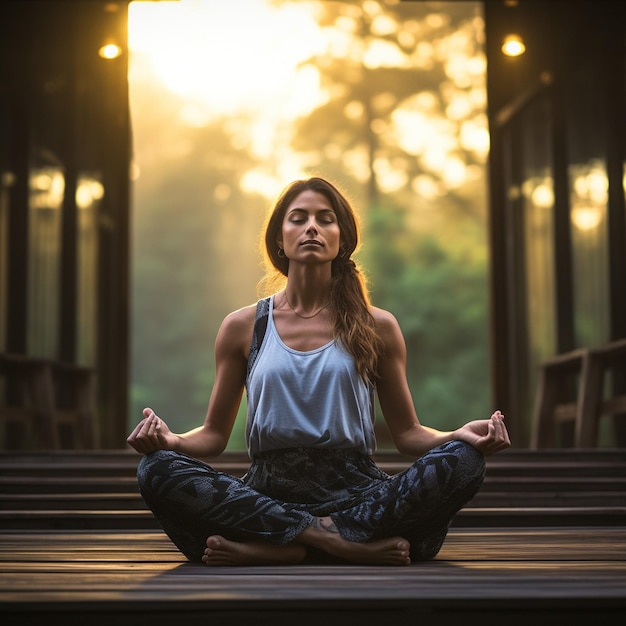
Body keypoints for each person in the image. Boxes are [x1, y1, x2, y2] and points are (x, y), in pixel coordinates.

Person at [127, 176, 511, 567]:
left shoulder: (377, 326)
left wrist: (458, 435)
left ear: (342, 239)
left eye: (325, 219)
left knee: (465, 460)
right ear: (279, 238)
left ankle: (282, 547)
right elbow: (212, 436)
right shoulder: (243, 327)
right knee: (156, 469)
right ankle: (336, 543)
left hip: (358, 495)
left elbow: (409, 434)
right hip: (267, 494)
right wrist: (170, 440)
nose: (311, 226)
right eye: (298, 218)